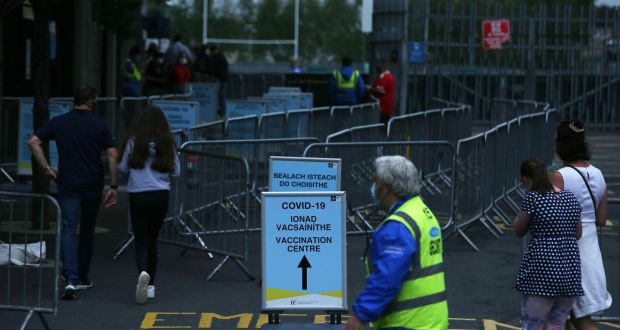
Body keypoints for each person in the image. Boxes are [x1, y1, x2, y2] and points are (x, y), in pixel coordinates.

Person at [27, 86, 118, 300]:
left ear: (74, 101)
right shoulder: (100, 125)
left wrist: (47, 168)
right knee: (87, 229)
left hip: (67, 182)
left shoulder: (60, 122)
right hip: (93, 182)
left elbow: (33, 142)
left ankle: (69, 279)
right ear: (93, 100)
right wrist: (113, 185)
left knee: (67, 227)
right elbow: (113, 156)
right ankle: (83, 277)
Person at [345, 155, 448, 330]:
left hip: (406, 322)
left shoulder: (398, 227)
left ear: (386, 188)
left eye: (375, 182)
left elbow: (387, 277)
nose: (373, 188)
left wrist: (359, 315)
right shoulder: (422, 211)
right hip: (431, 320)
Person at [551, 120, 612, 329]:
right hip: (591, 254)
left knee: (565, 318)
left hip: (566, 255)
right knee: (577, 318)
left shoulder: (560, 177)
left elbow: (551, 218)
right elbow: (602, 219)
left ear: (561, 146)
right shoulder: (598, 175)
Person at [118, 106, 180, 304]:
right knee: (153, 239)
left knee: (141, 239)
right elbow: (176, 171)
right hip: (161, 194)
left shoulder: (133, 141)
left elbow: (122, 167)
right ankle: (151, 285)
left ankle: (142, 274)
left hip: (138, 194)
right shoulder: (167, 142)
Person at [514, 159, 584, 329]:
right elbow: (578, 233)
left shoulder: (534, 197)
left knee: (533, 325)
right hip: (569, 272)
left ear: (525, 180)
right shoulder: (569, 197)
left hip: (542, 273)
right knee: (556, 325)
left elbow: (519, 229)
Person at [366, 60, 395, 125]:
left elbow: (380, 90)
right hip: (384, 107)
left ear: (383, 66)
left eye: (379, 65)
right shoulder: (383, 77)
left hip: (383, 108)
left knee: (382, 126)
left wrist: (370, 89)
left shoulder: (386, 77)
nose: (377, 67)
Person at [208, 44, 229, 118]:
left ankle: (218, 112)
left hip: (217, 79)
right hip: (224, 79)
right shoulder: (222, 56)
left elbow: (211, 69)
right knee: (223, 96)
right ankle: (223, 113)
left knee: (217, 96)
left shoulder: (212, 57)